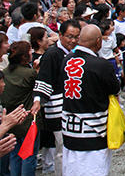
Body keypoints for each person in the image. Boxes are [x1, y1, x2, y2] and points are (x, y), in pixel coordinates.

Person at [60, 24, 120, 176]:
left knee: (71, 169)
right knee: (94, 169)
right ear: (99, 41)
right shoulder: (101, 65)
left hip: (70, 128)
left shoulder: (66, 60)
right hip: (93, 130)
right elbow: (114, 89)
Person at [31, 19, 81, 176]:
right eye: (69, 36)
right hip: (58, 108)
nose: (72, 41)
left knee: (72, 147)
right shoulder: (52, 54)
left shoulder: (75, 53)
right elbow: (44, 79)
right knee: (62, 149)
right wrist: (38, 100)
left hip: (73, 107)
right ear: (60, 35)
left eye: (76, 37)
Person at [1, 41, 38, 175]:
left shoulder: (5, 72)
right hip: (27, 119)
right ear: (24, 56)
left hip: (11, 120)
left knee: (14, 154)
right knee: (28, 155)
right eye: (29, 51)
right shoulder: (29, 74)